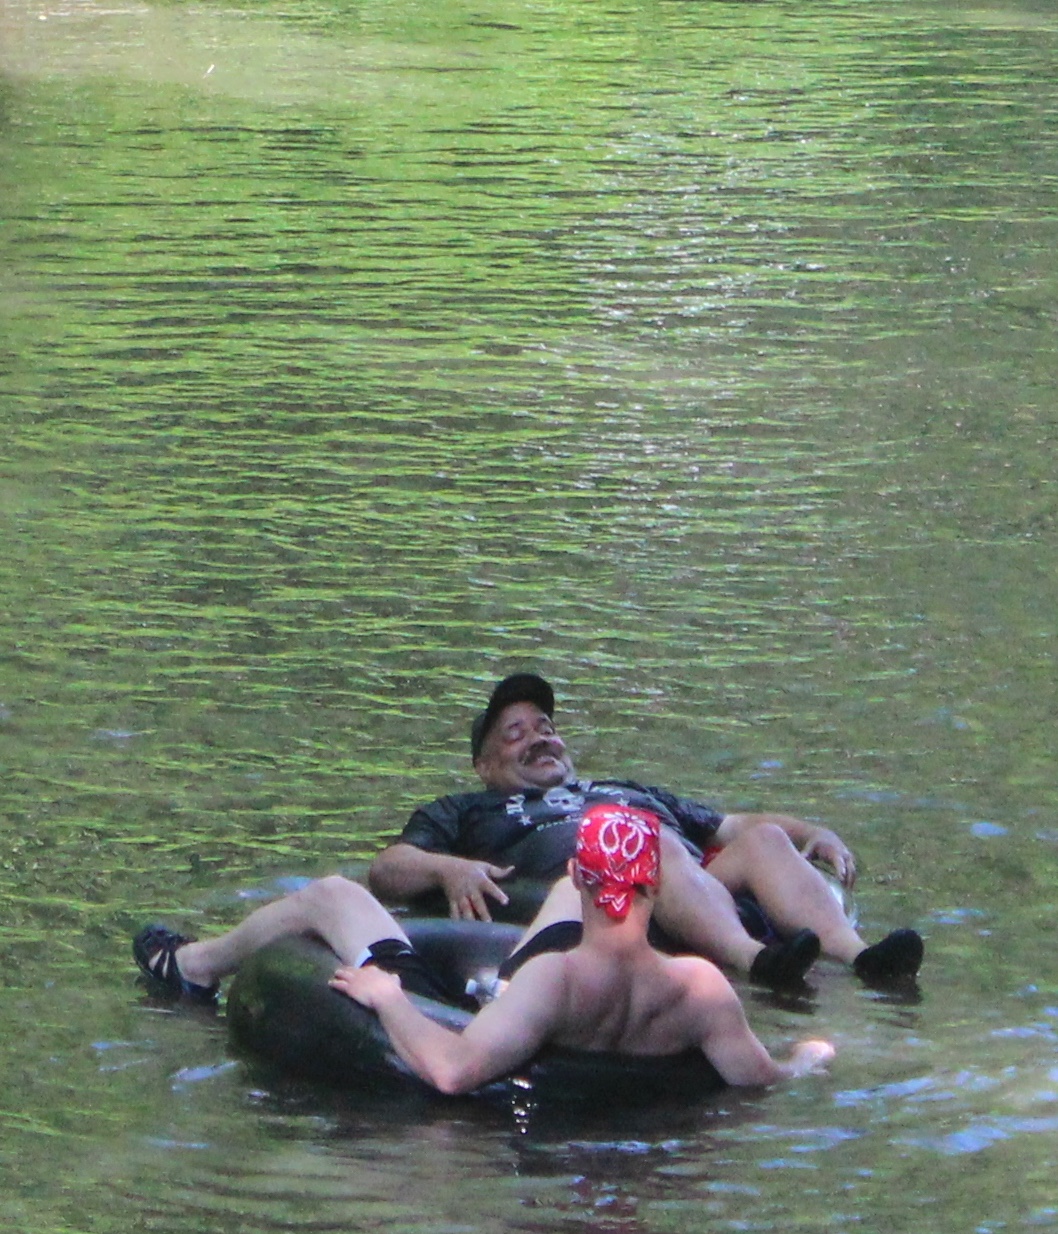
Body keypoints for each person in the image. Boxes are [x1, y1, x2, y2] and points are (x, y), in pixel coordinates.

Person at [134, 804, 835, 1092]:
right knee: (554, 911)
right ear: (655, 883)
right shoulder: (701, 990)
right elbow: (763, 1080)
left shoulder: (554, 983)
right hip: (594, 988)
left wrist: (388, 999)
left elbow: (452, 1071)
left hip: (492, 1010)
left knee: (331, 895)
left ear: (584, 875)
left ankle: (192, 966)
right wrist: (812, 1054)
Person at [368, 672, 924, 987]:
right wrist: (449, 868)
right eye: (515, 734)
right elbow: (388, 868)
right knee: (650, 844)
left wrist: (813, 832)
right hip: (600, 898)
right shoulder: (468, 809)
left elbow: (733, 824)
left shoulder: (623, 789)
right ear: (485, 766)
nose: (538, 738)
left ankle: (861, 957)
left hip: (685, 882)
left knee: (764, 841)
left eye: (546, 728)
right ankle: (756, 960)